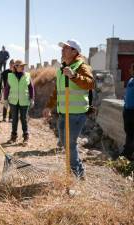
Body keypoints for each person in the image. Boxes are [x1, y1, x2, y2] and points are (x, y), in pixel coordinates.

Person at [43, 39, 94, 179]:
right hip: (63, 113)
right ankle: (77, 170)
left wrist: (74, 76)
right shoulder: (62, 68)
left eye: (66, 48)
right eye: (63, 47)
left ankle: (77, 174)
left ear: (74, 51)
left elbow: (90, 84)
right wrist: (49, 106)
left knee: (70, 144)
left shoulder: (81, 66)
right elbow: (57, 91)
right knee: (65, 143)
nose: (62, 50)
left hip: (76, 114)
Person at [4, 59, 34, 146]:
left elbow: (31, 88)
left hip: (24, 101)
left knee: (24, 119)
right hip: (13, 101)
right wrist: (5, 99)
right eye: (20, 66)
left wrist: (32, 99)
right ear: (15, 67)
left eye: (23, 66)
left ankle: (26, 137)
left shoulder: (27, 75)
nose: (22, 67)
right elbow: (7, 88)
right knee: (14, 119)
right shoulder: (10, 76)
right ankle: (13, 137)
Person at [120, 70, 134, 161]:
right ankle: (126, 153)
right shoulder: (131, 80)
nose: (130, 70)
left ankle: (127, 154)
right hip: (127, 111)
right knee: (128, 132)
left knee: (132, 134)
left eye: (132, 68)